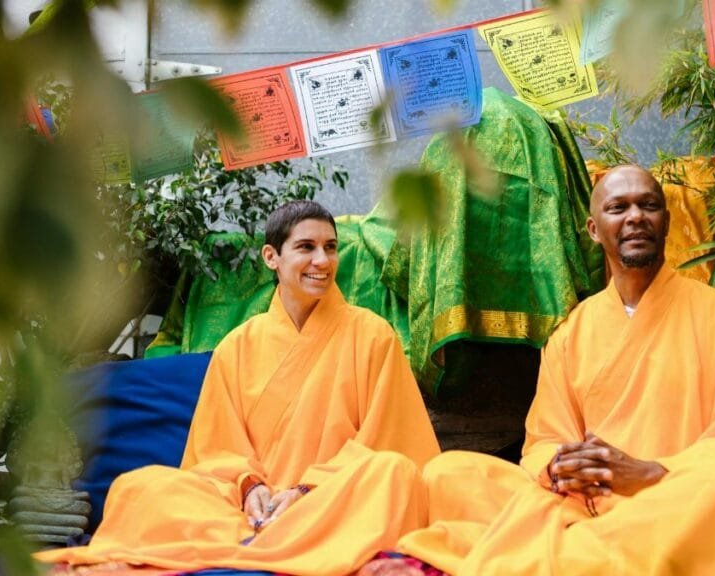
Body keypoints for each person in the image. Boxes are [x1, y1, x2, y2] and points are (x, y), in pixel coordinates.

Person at [366, 165, 715, 575]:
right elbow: (545, 439)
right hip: (585, 503)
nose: (635, 217)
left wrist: (649, 473)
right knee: (450, 473)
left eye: (648, 205)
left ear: (665, 221)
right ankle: (587, 543)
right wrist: (561, 467)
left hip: (680, 498)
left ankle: (582, 549)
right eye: (618, 208)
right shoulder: (572, 333)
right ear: (594, 229)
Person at [37, 200, 441, 575]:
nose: (323, 261)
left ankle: (277, 539)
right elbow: (216, 449)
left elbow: (389, 441)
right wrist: (251, 488)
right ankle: (266, 537)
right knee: (138, 487)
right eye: (306, 247)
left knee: (393, 473)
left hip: (330, 498)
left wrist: (305, 488)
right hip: (245, 508)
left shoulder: (373, 335)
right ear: (272, 257)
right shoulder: (237, 345)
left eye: (331, 248)